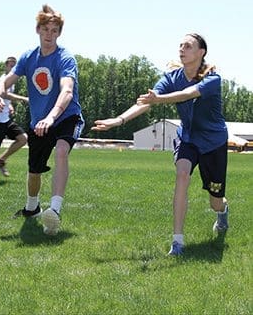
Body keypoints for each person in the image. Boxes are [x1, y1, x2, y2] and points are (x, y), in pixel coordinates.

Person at [92, 33, 229, 255]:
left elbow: (187, 94)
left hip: (213, 143)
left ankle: (223, 211)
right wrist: (118, 120)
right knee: (182, 173)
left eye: (188, 46)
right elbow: (146, 102)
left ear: (201, 52)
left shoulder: (212, 78)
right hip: (188, 139)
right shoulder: (171, 77)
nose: (182, 49)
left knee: (215, 202)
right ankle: (177, 242)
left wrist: (159, 99)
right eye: (181, 45)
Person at [0, 4, 84, 235]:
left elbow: (67, 91)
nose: (49, 35)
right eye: (45, 29)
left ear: (59, 34)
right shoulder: (28, 57)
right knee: (34, 171)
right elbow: (6, 80)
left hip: (65, 115)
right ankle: (32, 208)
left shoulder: (65, 58)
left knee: (62, 150)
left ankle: (54, 210)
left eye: (54, 31)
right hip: (39, 121)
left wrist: (52, 117)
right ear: (38, 30)